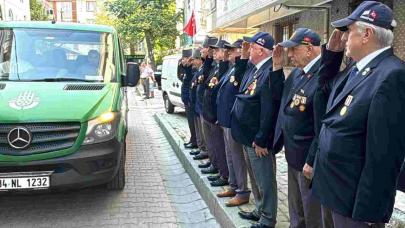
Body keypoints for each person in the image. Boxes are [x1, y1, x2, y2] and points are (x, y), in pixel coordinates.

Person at [311, 1, 405, 227]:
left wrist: (367, 212)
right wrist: (331, 56)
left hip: (353, 205)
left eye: (349, 31)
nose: (343, 38)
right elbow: (322, 97)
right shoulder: (355, 69)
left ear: (367, 34)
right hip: (331, 190)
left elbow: (384, 155)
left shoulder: (392, 76)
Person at [231, 32, 284, 228]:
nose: (249, 49)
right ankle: (260, 209)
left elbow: (270, 109)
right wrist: (244, 57)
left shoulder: (270, 71)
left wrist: (262, 138)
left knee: (265, 180)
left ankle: (268, 218)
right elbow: (238, 80)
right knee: (255, 177)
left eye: (252, 47)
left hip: (258, 140)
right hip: (248, 136)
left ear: (261, 50)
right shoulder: (255, 69)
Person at [272, 28, 323, 228]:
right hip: (293, 155)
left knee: (312, 215)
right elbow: (280, 100)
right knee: (296, 211)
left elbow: (322, 125)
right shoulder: (297, 74)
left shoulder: (323, 75)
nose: (289, 55)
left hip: (308, 160)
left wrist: (311, 159)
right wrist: (276, 67)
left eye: (293, 50)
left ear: (309, 49)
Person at [215, 39, 251, 206]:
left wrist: (243, 57)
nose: (228, 52)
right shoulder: (232, 68)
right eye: (228, 50)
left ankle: (242, 191)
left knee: (237, 158)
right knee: (230, 156)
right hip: (225, 120)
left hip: (232, 121)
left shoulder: (243, 68)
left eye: (232, 49)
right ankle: (234, 185)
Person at [201, 39, 231, 187]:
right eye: (214, 50)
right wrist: (207, 58)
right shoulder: (215, 67)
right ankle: (218, 168)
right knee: (215, 145)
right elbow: (206, 80)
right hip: (210, 113)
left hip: (216, 115)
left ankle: (224, 173)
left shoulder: (226, 67)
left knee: (220, 146)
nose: (214, 53)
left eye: (217, 50)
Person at [193, 36, 218, 161]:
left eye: (204, 48)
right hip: (203, 104)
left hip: (209, 108)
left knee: (214, 141)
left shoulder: (215, 65)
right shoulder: (206, 64)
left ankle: (216, 163)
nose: (202, 50)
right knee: (209, 138)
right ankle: (213, 161)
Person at [179, 49, 198, 149]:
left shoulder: (193, 69)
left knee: (193, 123)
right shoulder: (187, 69)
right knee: (191, 123)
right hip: (186, 100)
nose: (183, 60)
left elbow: (190, 84)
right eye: (182, 59)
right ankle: (192, 139)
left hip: (190, 100)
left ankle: (195, 141)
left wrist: (188, 66)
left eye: (184, 58)